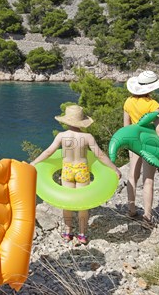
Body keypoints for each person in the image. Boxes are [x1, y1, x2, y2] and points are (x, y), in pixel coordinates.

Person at [31, 105, 122, 245]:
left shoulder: (61, 136)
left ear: (66, 121)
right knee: (83, 204)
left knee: (66, 203)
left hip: (67, 170)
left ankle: (68, 232)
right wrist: (114, 168)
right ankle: (83, 234)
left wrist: (34, 163)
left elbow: (48, 152)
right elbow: (100, 155)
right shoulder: (87, 137)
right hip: (82, 170)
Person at [124, 71, 159, 229]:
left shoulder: (128, 101)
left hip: (133, 141)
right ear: (152, 87)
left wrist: (128, 143)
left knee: (132, 176)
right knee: (148, 180)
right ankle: (147, 216)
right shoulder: (152, 105)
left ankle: (131, 210)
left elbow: (126, 126)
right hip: (149, 143)